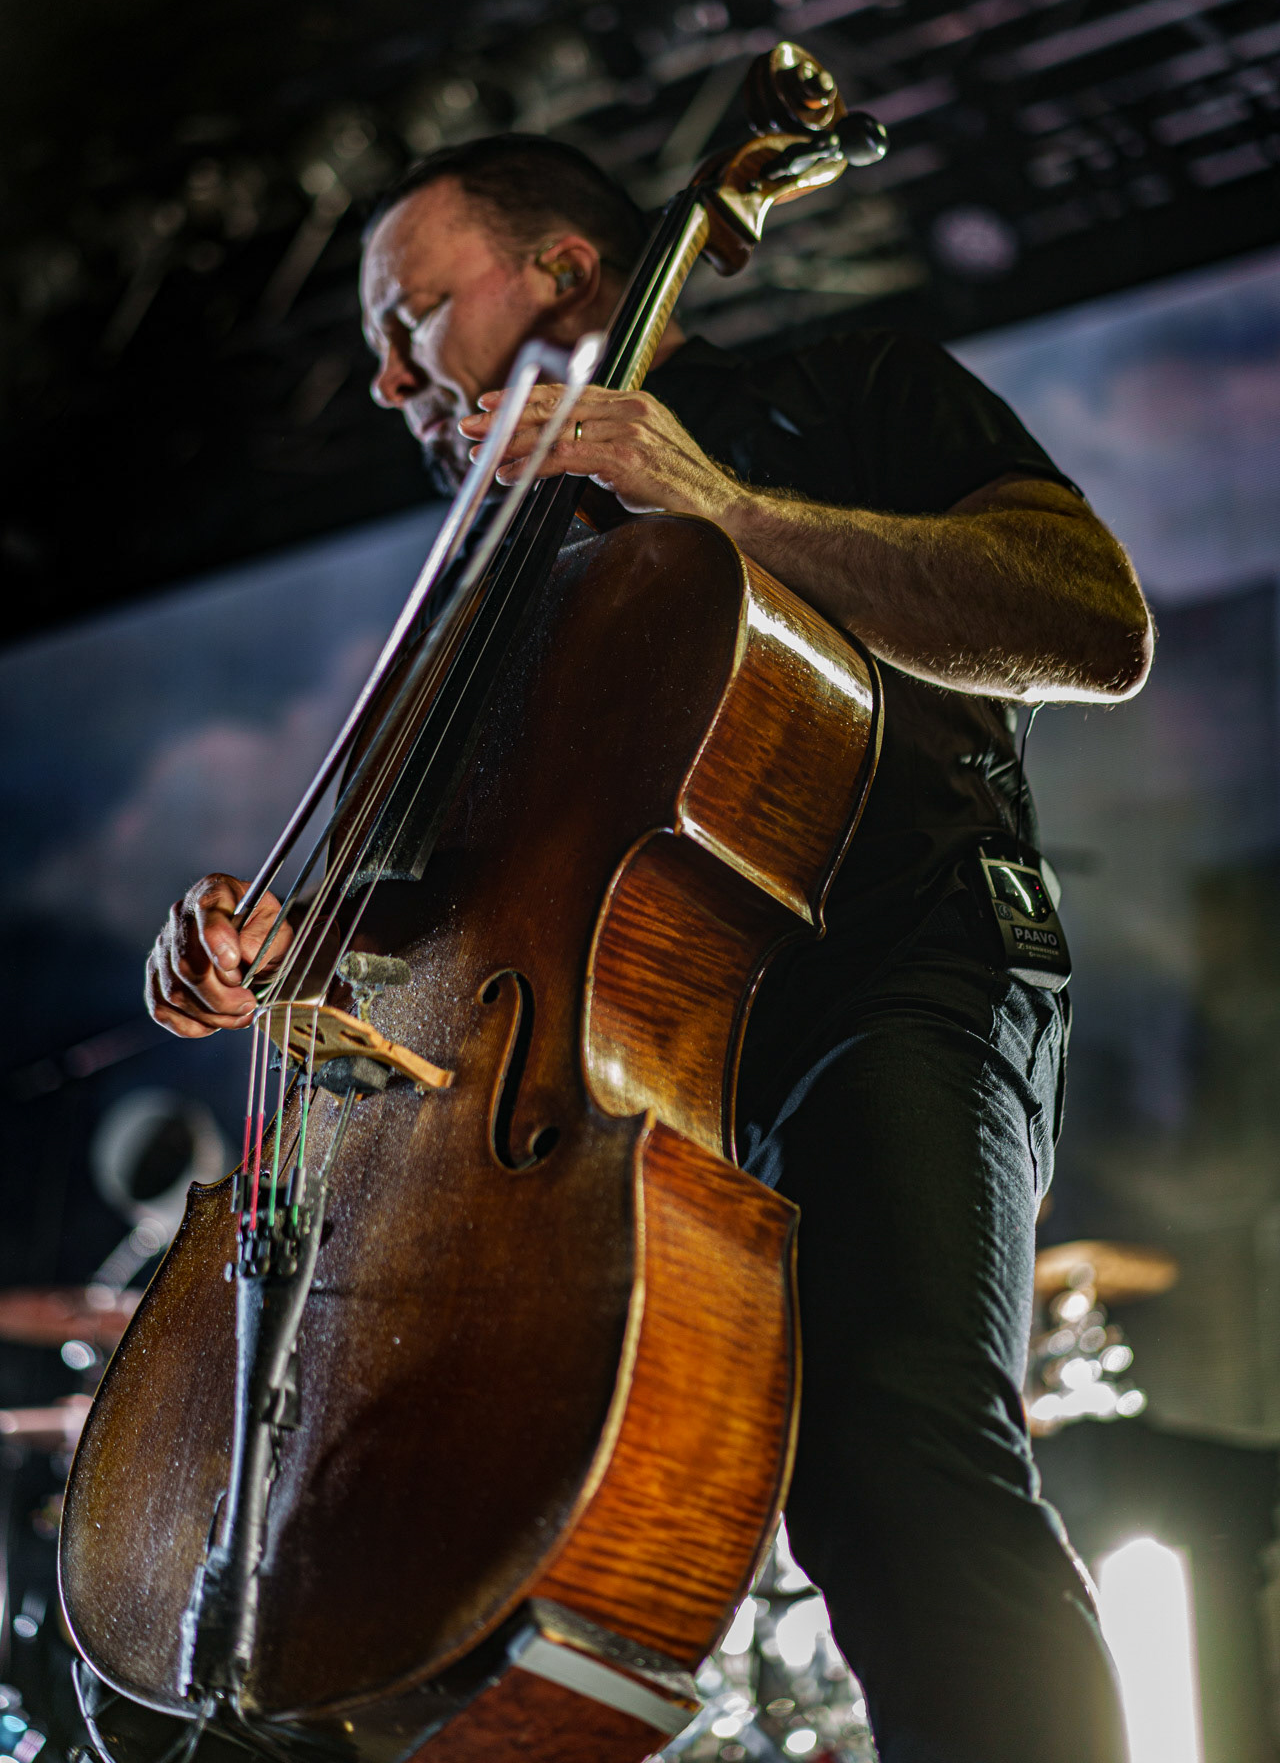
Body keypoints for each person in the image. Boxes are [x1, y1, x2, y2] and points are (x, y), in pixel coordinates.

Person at [145, 134, 1151, 1762]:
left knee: (897, 1464)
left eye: (412, 320)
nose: (389, 379)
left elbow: (1096, 625)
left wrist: (727, 510)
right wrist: (268, 950)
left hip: (891, 970)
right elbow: (443, 912)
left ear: (561, 272)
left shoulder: (855, 388)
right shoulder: (484, 582)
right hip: (614, 1079)